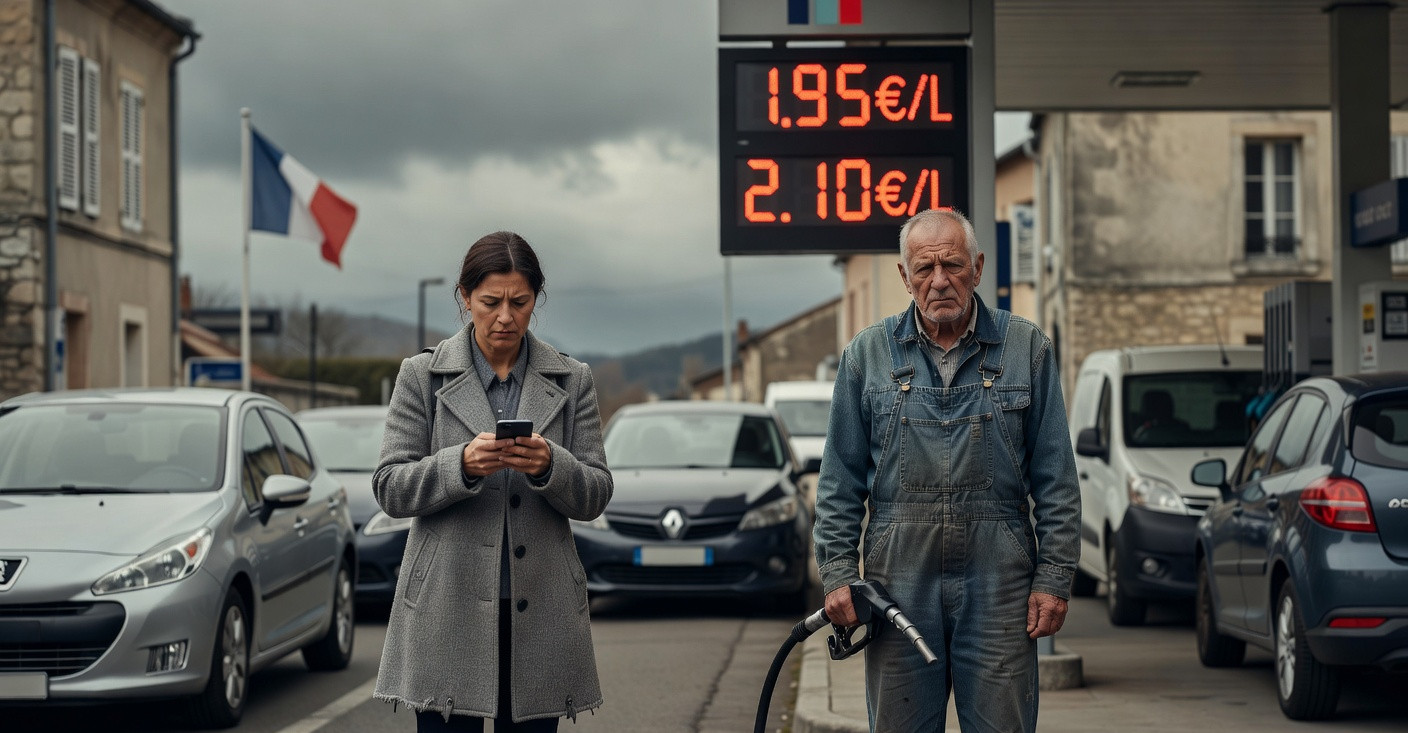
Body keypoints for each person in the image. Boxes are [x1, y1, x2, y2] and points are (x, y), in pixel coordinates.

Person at [813, 209, 1080, 732]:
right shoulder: (866, 356)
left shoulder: (1027, 348)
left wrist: (1054, 576)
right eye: (924, 268)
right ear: (903, 277)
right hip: (898, 585)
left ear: (977, 268)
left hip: (1000, 584)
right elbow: (838, 481)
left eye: (953, 265)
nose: (939, 281)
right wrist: (839, 572)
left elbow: (1057, 480)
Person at [372, 231, 613, 732]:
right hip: (445, 611)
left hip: (542, 615)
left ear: (535, 301)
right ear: (465, 298)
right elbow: (390, 486)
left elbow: (596, 493)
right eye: (490, 302)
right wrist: (460, 464)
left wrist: (551, 465)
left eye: (519, 303)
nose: (505, 316)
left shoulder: (573, 380)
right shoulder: (422, 376)